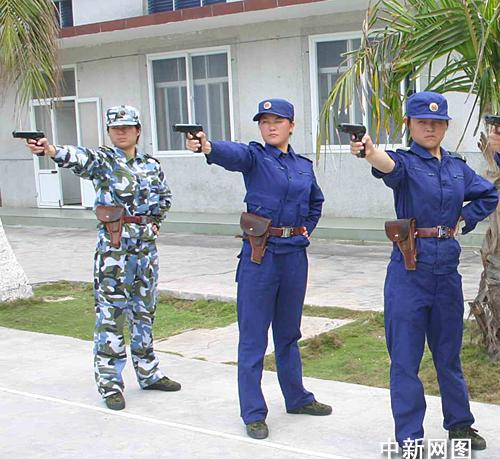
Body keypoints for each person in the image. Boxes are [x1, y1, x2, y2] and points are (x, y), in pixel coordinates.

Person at [350, 91, 498, 459]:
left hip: (446, 273)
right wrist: (368, 149)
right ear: (410, 125)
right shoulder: (405, 163)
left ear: (445, 126)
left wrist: (465, 219)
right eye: (422, 122)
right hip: (409, 272)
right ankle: (410, 437)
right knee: (405, 359)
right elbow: (385, 165)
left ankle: (460, 425)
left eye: (437, 123)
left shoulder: (457, 168)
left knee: (448, 356)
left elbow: (488, 194)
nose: (429, 128)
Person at [185, 98, 332, 439]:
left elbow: (316, 201)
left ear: (291, 126)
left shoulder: (303, 166)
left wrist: (306, 229)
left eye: (277, 120)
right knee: (253, 337)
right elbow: (230, 154)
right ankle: (253, 412)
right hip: (260, 256)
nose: (270, 126)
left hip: (294, 256)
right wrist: (206, 145)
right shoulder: (255, 157)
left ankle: (297, 398)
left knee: (289, 334)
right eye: (264, 121)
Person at [27, 105, 181, 411]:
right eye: (115, 128)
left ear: (138, 130)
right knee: (111, 314)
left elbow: (164, 197)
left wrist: (155, 222)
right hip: (114, 249)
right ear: (109, 132)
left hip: (145, 250)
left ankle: (148, 373)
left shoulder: (151, 164)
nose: (121, 132)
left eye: (127, 127)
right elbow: (78, 157)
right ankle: (110, 383)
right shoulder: (104, 161)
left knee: (144, 312)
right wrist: (50, 149)